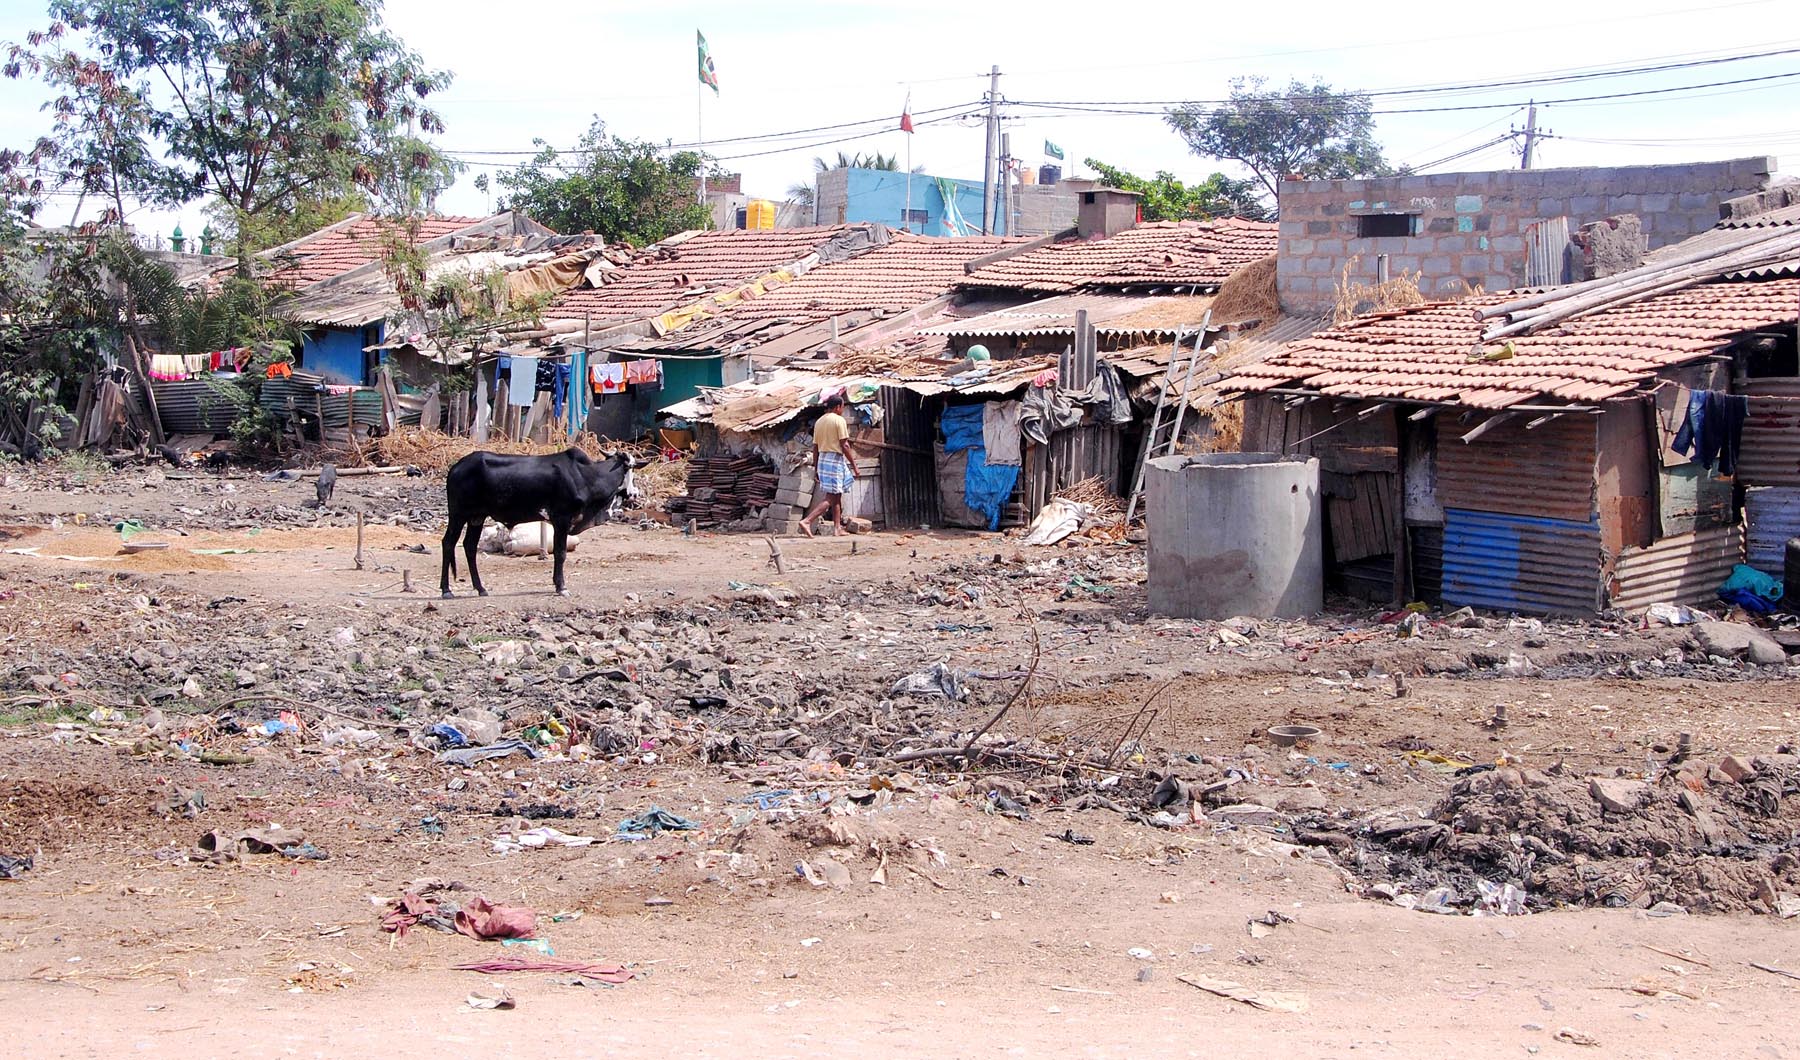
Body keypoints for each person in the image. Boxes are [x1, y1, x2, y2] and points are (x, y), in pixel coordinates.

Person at [798, 393, 858, 537]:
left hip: (823, 459)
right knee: (831, 497)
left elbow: (815, 447)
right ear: (837, 407)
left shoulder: (819, 422)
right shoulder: (839, 420)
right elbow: (845, 445)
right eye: (842, 407)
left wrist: (817, 468)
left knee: (837, 494)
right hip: (834, 459)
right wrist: (854, 465)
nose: (842, 410)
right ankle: (807, 521)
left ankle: (837, 528)